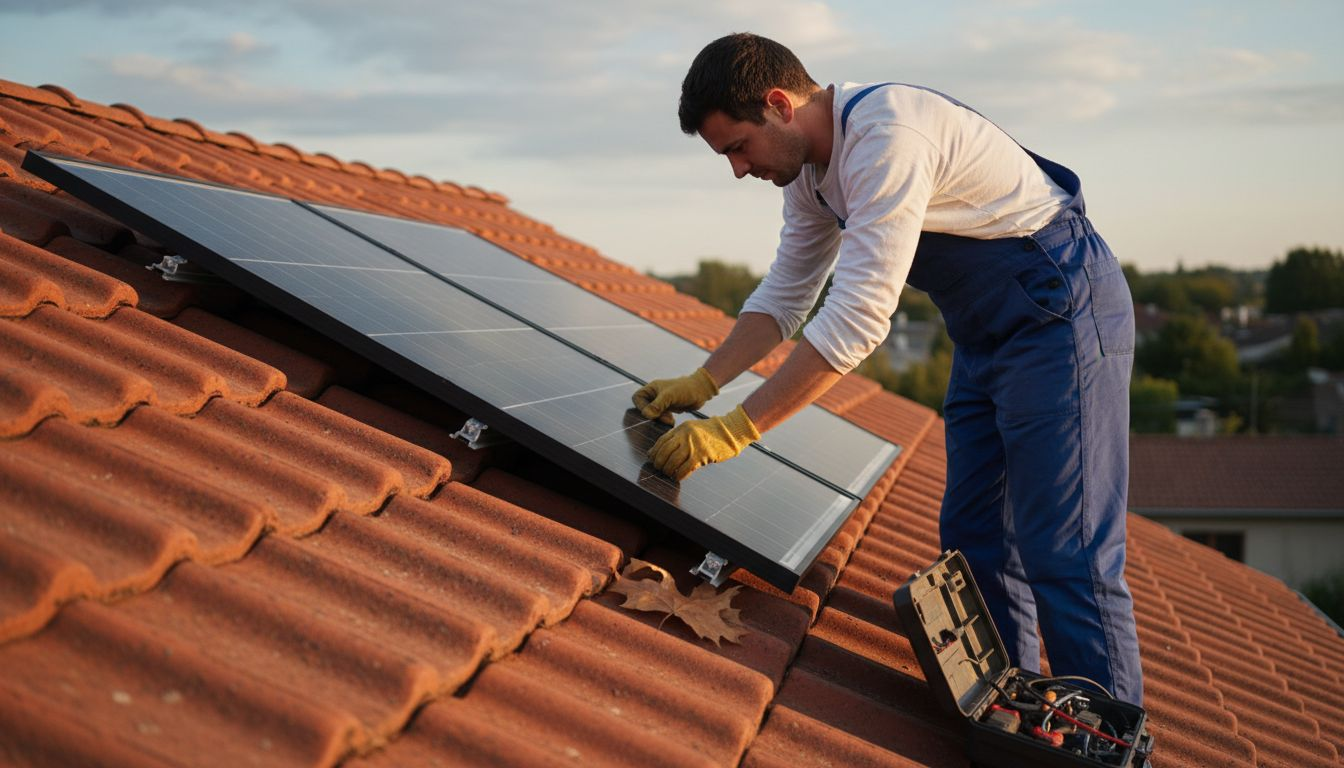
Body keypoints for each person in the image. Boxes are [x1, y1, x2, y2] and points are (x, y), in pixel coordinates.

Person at [634, 32, 1143, 706]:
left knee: (1066, 549)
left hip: (1062, 311)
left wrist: (734, 430)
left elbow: (858, 318)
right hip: (988, 333)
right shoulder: (812, 177)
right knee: (974, 537)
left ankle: (1105, 737)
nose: (736, 169)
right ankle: (1015, 714)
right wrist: (704, 381)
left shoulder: (886, 136)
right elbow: (787, 296)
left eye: (737, 147)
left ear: (780, 104)